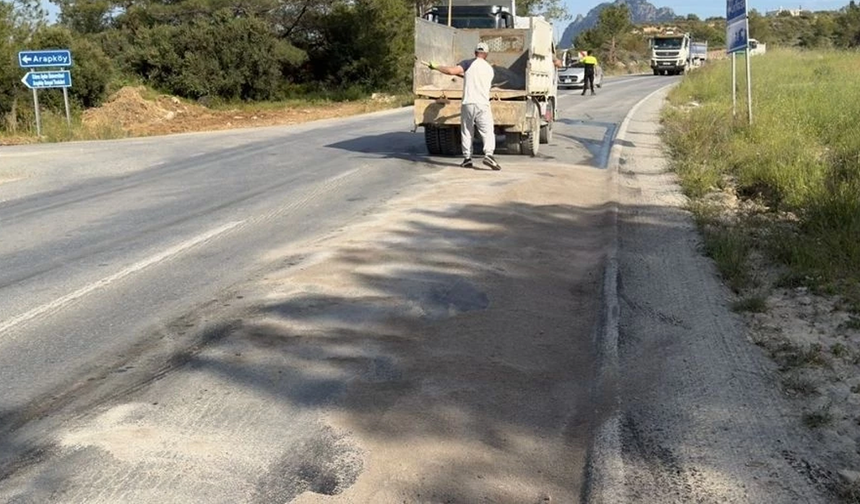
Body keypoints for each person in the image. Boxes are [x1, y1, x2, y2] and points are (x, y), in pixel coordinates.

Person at [423, 42, 501, 171]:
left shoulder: (468, 63)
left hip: (468, 103)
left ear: (475, 52)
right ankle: (489, 155)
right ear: (486, 54)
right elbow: (476, 78)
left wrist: (436, 67)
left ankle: (467, 159)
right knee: (487, 131)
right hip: (483, 104)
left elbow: (451, 71)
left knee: (467, 131)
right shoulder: (489, 69)